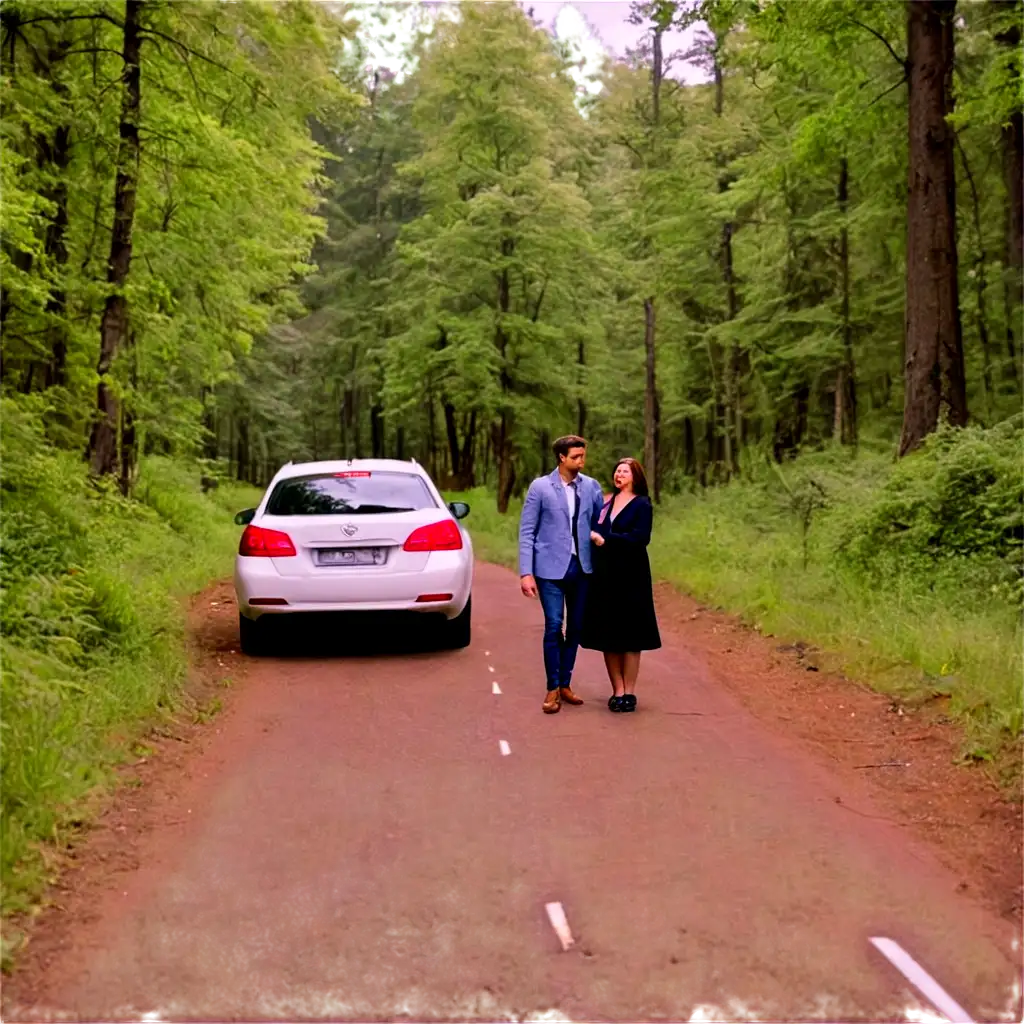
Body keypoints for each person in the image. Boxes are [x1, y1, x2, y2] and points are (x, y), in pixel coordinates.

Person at [518, 435, 605, 714]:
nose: (582, 461)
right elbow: (527, 531)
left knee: (576, 628)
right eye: (576, 456)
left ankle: (566, 683)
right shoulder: (541, 487)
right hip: (549, 570)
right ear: (562, 458)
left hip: (582, 568)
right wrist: (526, 572)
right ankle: (552, 687)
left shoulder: (591, 487)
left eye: (583, 456)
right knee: (554, 626)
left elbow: (599, 525)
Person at [581, 457, 661, 713]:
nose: (619, 475)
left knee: (631, 635)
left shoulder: (642, 505)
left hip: (632, 574)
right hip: (605, 574)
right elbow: (592, 528)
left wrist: (607, 541)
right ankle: (616, 689)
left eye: (625, 471)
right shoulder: (605, 502)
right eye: (617, 470)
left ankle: (630, 690)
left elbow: (640, 538)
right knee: (609, 634)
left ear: (635, 476)